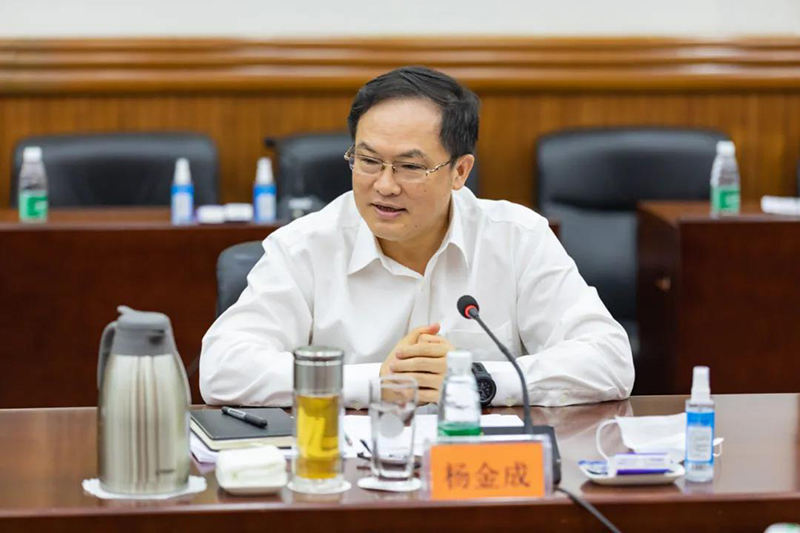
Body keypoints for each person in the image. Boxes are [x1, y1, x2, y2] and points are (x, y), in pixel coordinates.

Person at [200, 65, 634, 408]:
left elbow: (609, 360)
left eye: (410, 167)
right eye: (368, 161)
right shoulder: (306, 246)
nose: (384, 185)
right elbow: (223, 368)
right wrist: (378, 381)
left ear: (460, 171)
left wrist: (476, 379)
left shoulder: (517, 238)